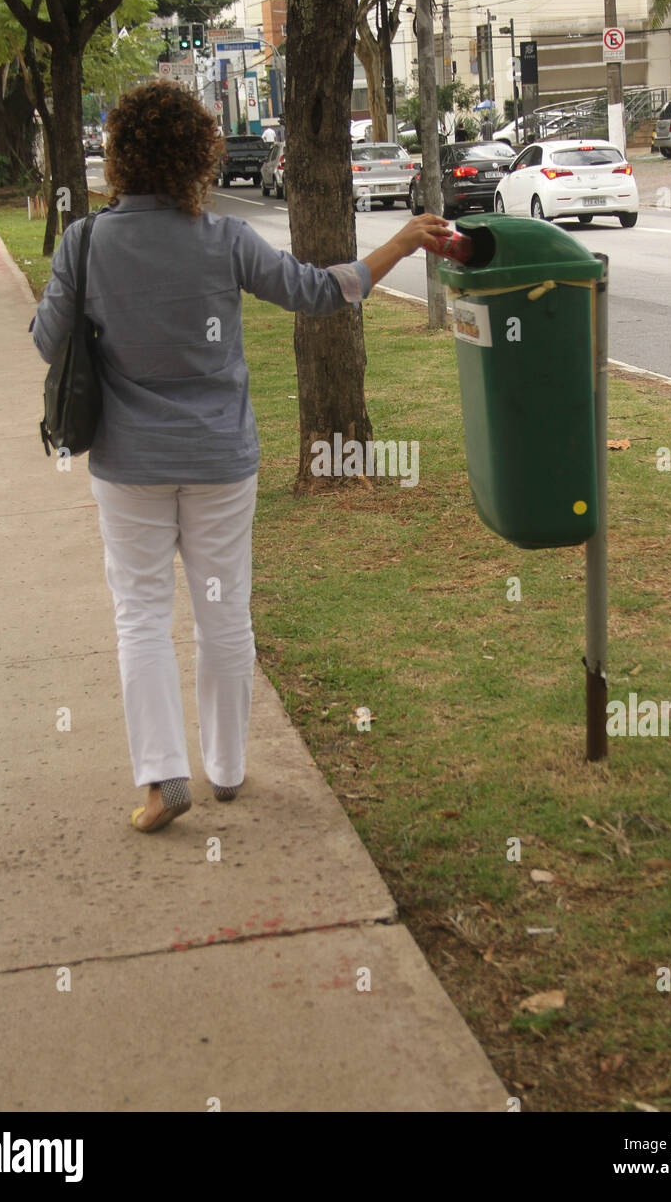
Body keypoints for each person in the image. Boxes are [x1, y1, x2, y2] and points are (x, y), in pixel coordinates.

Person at [31, 80, 450, 832]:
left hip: (128, 464)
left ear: (120, 157)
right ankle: (225, 770)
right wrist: (400, 241)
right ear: (199, 155)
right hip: (221, 458)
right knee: (224, 613)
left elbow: (43, 340)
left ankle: (163, 781)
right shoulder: (224, 240)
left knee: (141, 615)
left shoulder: (85, 242)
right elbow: (324, 292)